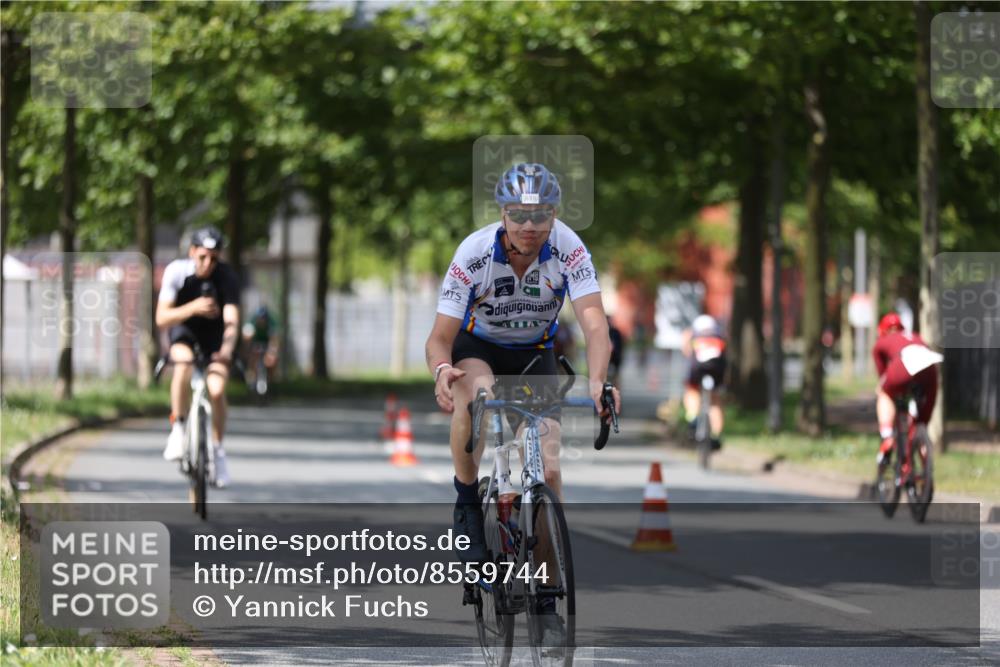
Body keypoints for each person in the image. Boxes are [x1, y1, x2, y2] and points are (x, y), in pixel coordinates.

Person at [425, 162, 620, 642]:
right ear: (503, 214)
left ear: (554, 214)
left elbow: (596, 324)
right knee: (480, 394)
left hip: (536, 355)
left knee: (549, 468)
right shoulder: (474, 253)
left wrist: (599, 383)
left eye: (540, 215)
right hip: (478, 349)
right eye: (518, 215)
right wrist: (441, 370)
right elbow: (439, 337)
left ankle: (548, 591)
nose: (529, 227)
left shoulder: (568, 248)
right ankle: (468, 500)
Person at [156, 226, 241, 487]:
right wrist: (193, 308)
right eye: (203, 256)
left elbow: (232, 321)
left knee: (216, 390)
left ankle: (217, 450)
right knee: (182, 364)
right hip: (186, 334)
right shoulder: (176, 272)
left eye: (214, 258)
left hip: (215, 340)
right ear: (192, 252)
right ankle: (178, 428)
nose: (208, 263)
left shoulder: (226, 277)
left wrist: (226, 351)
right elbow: (162, 318)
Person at [872, 312, 941, 463]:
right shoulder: (915, 336)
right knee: (921, 419)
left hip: (902, 365)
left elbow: (881, 371)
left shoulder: (884, 340)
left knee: (884, 393)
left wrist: (885, 383)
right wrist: (923, 419)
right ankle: (923, 449)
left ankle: (887, 436)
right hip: (930, 366)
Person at [681, 314, 726, 450]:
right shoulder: (719, 335)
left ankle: (693, 418)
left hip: (698, 368)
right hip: (717, 369)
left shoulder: (693, 333)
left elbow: (686, 350)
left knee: (692, 390)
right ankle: (717, 435)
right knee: (715, 401)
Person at [242, 305, 279, 388]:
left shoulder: (271, 323)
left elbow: (274, 340)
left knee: (271, 361)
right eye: (260, 318)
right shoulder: (252, 322)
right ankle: (251, 378)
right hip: (255, 343)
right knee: (252, 358)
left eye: (263, 318)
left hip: (267, 343)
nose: (262, 320)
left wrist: (272, 352)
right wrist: (248, 350)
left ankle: (271, 380)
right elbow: (247, 338)